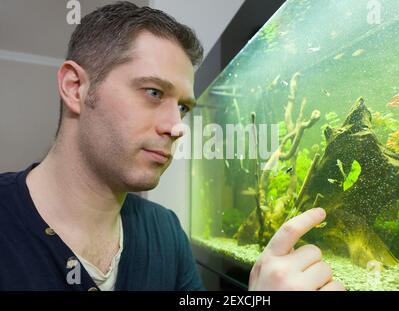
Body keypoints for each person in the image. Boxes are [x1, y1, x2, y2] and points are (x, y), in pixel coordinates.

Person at [0, 1, 344, 291]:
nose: (177, 127)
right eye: (153, 93)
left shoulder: (165, 230)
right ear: (76, 88)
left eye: (182, 107)